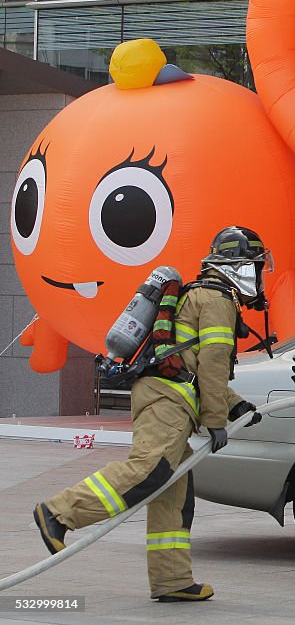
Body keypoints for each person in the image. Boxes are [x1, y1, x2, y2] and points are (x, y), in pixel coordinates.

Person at [33, 226, 268, 602]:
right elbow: (210, 363)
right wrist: (216, 421)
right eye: (257, 267)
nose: (259, 276)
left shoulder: (203, 296)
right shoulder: (217, 300)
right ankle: (58, 513)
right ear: (239, 267)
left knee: (172, 492)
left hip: (168, 394)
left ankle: (172, 580)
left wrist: (235, 402)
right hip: (167, 400)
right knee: (150, 469)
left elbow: (195, 362)